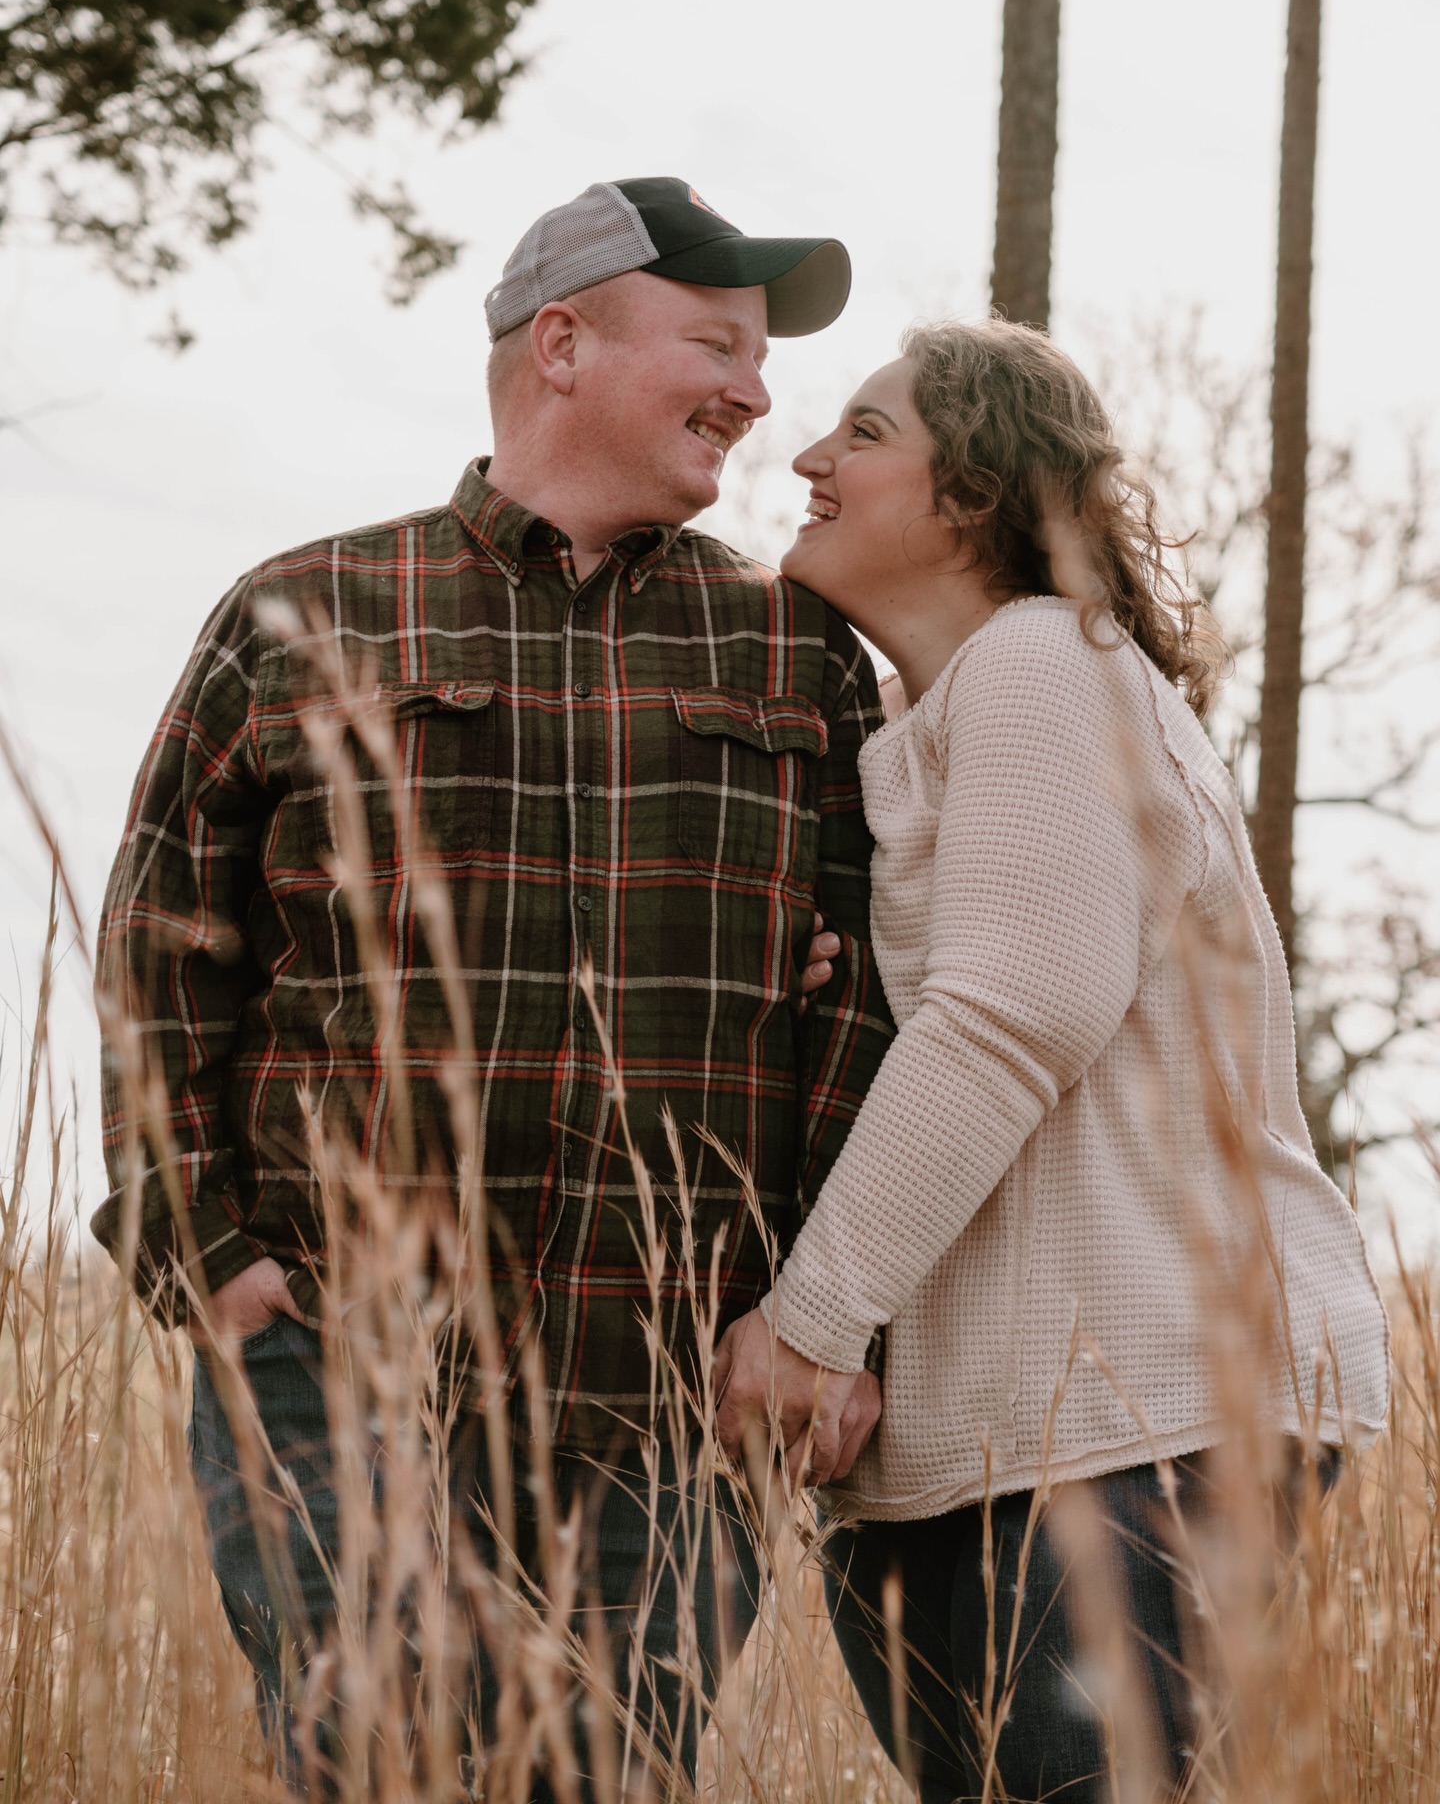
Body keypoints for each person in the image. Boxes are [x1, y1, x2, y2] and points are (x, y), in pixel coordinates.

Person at [91, 177, 892, 1794]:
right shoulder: (303, 614)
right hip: (339, 1366)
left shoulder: (798, 654)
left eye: (761, 356)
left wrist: (810, 1312)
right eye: (717, 343)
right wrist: (221, 1277)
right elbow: (159, 959)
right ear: (565, 341)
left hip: (665, 1405)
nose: (755, 391)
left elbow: (869, 998)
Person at [714, 318, 1391, 1801]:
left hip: (1133, 1416)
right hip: (981, 1443)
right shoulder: (941, 718)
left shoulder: (1042, 659)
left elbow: (1009, 1017)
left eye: (866, 433)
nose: (811, 459)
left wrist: (814, 1324)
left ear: (979, 494)